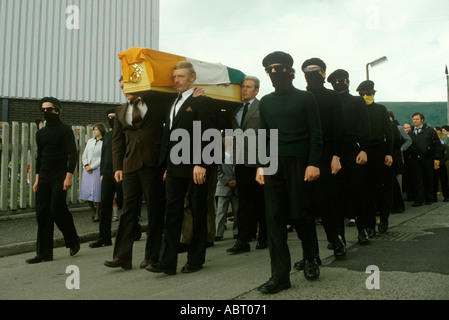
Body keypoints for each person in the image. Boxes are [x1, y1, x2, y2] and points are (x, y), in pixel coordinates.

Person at [255, 51, 322, 294]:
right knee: (273, 219)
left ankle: (311, 258)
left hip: (300, 162)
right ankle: (280, 277)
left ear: (290, 71)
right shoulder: (266, 102)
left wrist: (313, 162)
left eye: (279, 68)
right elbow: (264, 134)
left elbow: (316, 131)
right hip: (273, 163)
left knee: (300, 213)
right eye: (269, 69)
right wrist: (261, 165)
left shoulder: (306, 98)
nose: (274, 73)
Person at [146, 61, 216, 275]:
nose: (176, 80)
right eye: (174, 77)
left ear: (192, 78)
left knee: (197, 212)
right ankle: (167, 262)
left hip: (195, 167)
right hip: (175, 166)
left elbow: (208, 134)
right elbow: (170, 138)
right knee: (172, 213)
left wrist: (201, 163)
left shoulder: (203, 102)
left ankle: (196, 259)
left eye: (181, 76)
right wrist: (167, 165)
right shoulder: (173, 103)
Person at [103, 76, 166, 270]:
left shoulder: (158, 104)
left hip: (153, 165)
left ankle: (152, 257)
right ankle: (122, 257)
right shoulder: (120, 110)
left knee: (155, 211)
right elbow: (117, 141)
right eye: (121, 87)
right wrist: (117, 167)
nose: (124, 90)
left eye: (128, 86)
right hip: (129, 166)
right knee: (127, 211)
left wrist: (166, 165)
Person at [297, 59, 346, 263]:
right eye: (307, 70)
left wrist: (336, 155)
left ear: (323, 73)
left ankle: (337, 241)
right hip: (304, 156)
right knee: (304, 206)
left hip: (326, 154)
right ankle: (311, 254)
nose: (310, 73)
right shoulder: (300, 97)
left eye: (314, 70)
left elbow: (339, 127)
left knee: (328, 202)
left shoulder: (332, 96)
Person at [26, 97, 80, 264]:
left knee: (57, 209)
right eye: (42, 110)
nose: (45, 112)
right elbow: (39, 157)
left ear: (57, 110)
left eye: (48, 109)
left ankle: (72, 240)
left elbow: (73, 154)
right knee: (42, 212)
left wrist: (69, 176)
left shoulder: (65, 130)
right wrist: (36, 179)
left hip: (60, 174)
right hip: (43, 175)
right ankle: (43, 253)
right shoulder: (40, 133)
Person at [326, 69, 371, 245]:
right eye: (335, 81)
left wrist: (364, 149)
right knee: (335, 196)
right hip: (333, 153)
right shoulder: (329, 102)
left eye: (342, 80)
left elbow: (365, 126)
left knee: (358, 192)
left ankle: (363, 230)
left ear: (348, 82)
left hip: (353, 151)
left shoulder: (357, 101)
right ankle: (339, 237)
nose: (339, 83)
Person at [226, 76, 267, 254]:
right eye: (243, 86)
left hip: (259, 161)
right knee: (243, 203)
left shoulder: (263, 107)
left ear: (256, 90)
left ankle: (265, 236)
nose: (244, 90)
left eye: (248, 87)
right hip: (241, 161)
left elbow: (268, 134)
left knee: (262, 201)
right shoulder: (235, 109)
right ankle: (243, 240)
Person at [356, 80, 394, 238]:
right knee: (365, 192)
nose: (366, 96)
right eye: (363, 94)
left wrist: (389, 153)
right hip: (362, 154)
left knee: (380, 189)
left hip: (379, 153)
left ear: (374, 93)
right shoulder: (356, 111)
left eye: (369, 94)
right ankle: (369, 225)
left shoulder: (381, 109)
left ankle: (383, 219)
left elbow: (389, 133)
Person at [89, 109, 122, 248]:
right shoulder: (107, 136)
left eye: (113, 117)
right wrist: (102, 172)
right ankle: (104, 237)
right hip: (107, 174)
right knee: (105, 206)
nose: (111, 119)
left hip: (121, 174)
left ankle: (133, 231)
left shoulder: (125, 134)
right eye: (108, 117)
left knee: (125, 204)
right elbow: (104, 155)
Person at [407, 112, 442, 207]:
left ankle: (429, 198)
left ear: (422, 120)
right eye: (414, 119)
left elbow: (437, 145)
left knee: (429, 178)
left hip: (428, 158)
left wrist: (437, 158)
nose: (415, 121)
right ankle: (419, 200)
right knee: (417, 179)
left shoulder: (430, 131)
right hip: (415, 159)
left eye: (417, 119)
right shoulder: (410, 132)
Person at [78, 123, 106, 222]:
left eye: (97, 130)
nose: (94, 131)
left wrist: (92, 167)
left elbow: (103, 157)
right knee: (87, 191)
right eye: (94, 130)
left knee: (97, 191)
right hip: (87, 169)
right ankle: (92, 210)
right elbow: (84, 154)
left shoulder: (104, 142)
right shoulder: (90, 141)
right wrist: (86, 165)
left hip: (97, 168)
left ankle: (98, 212)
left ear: (101, 131)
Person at [215, 137, 239, 241]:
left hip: (236, 187)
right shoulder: (219, 156)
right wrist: (227, 181)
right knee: (221, 211)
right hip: (224, 186)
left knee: (237, 211)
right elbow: (218, 172)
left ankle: (237, 231)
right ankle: (218, 233)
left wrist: (236, 181)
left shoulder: (238, 155)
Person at [388, 111, 412, 214]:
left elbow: (406, 140)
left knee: (396, 182)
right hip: (390, 158)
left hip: (395, 158)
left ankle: (398, 204)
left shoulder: (396, 127)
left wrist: (402, 149)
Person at [433, 127, 449, 202]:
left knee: (444, 181)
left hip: (441, 165)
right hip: (435, 165)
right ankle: (434, 196)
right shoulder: (433, 146)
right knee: (434, 181)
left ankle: (446, 195)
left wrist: (439, 163)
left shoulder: (444, 145)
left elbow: (446, 156)